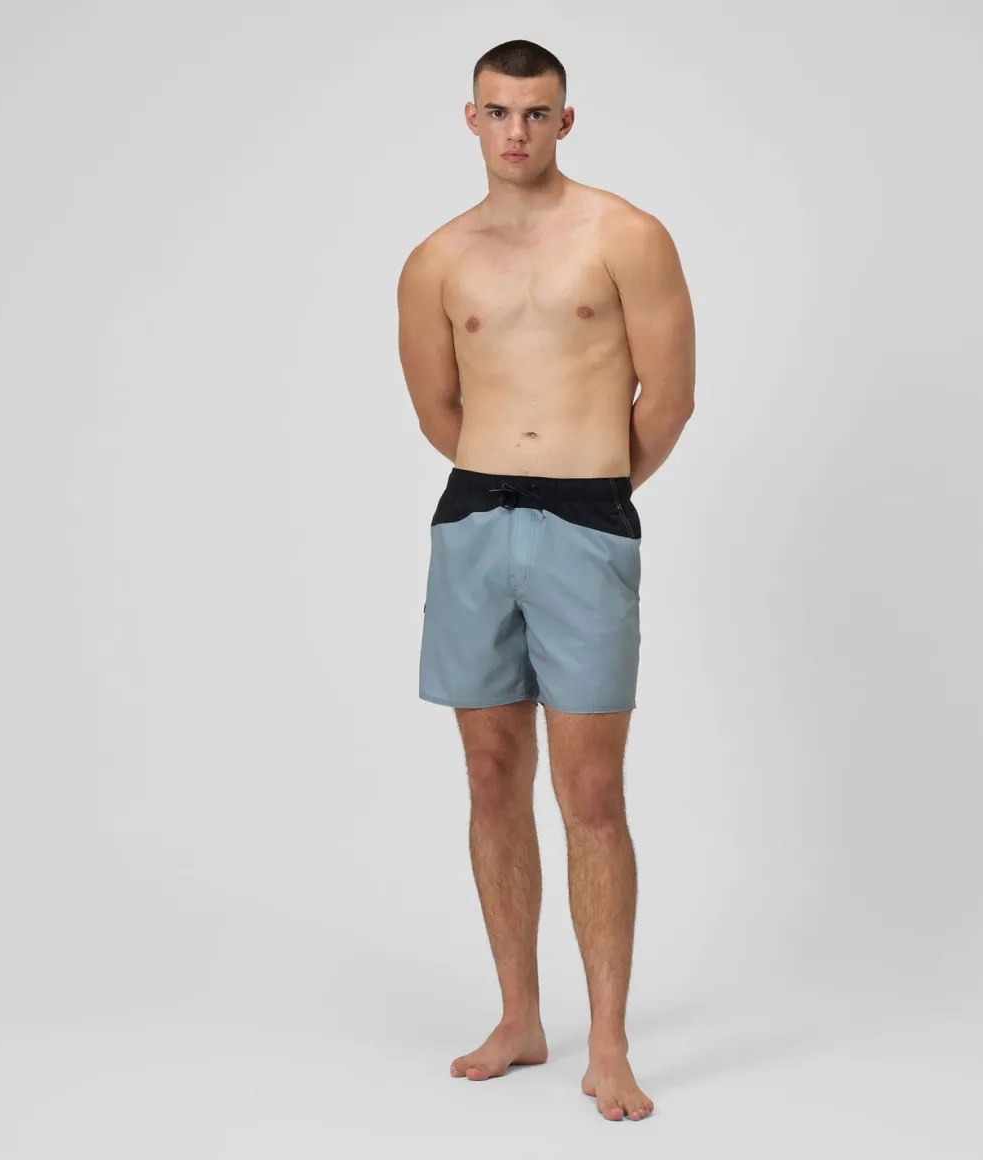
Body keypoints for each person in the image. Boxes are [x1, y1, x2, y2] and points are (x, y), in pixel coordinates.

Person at [396, 38, 695, 1123]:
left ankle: (607, 1043)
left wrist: (590, 486)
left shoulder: (625, 235)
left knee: (591, 793)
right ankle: (519, 1016)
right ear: (469, 118)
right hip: (474, 518)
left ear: (565, 120)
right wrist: (508, 481)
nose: (515, 131)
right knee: (489, 775)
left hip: (585, 521)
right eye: (497, 111)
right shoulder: (435, 258)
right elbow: (437, 409)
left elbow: (668, 398)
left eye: (535, 112)